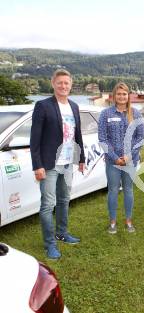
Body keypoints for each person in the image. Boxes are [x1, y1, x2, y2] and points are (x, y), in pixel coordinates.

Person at [30, 69, 84, 259]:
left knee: (64, 200)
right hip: (50, 164)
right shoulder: (43, 106)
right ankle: (50, 244)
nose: (63, 86)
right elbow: (34, 139)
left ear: (71, 85)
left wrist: (82, 158)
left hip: (68, 163)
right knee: (48, 205)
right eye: (60, 82)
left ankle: (62, 233)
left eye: (66, 83)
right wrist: (37, 165)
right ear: (53, 83)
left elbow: (78, 135)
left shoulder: (74, 106)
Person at [98, 82, 144, 234]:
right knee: (112, 190)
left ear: (128, 96)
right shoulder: (106, 114)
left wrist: (129, 156)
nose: (121, 96)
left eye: (124, 94)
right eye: (119, 94)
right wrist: (114, 157)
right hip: (113, 162)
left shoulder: (135, 113)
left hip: (130, 161)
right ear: (114, 96)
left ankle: (128, 221)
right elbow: (102, 139)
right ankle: (112, 222)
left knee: (128, 190)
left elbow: (141, 137)